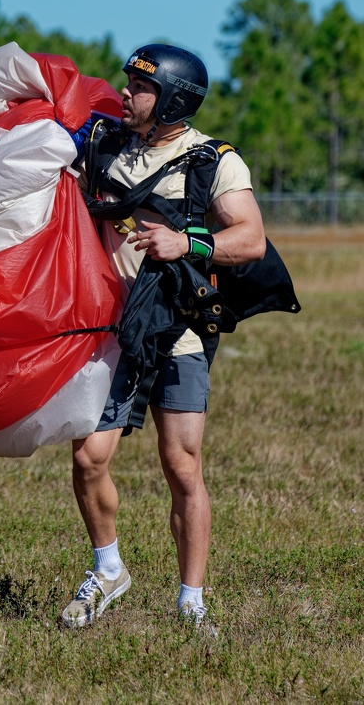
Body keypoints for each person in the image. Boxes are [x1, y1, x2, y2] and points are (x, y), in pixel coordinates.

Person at [61, 44, 266, 628]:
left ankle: (191, 601)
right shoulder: (101, 146)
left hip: (178, 331)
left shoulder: (214, 161)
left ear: (172, 98)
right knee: (89, 458)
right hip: (111, 331)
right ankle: (108, 570)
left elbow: (250, 238)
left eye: (140, 87)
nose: (125, 94)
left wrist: (189, 243)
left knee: (182, 465)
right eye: (128, 84)